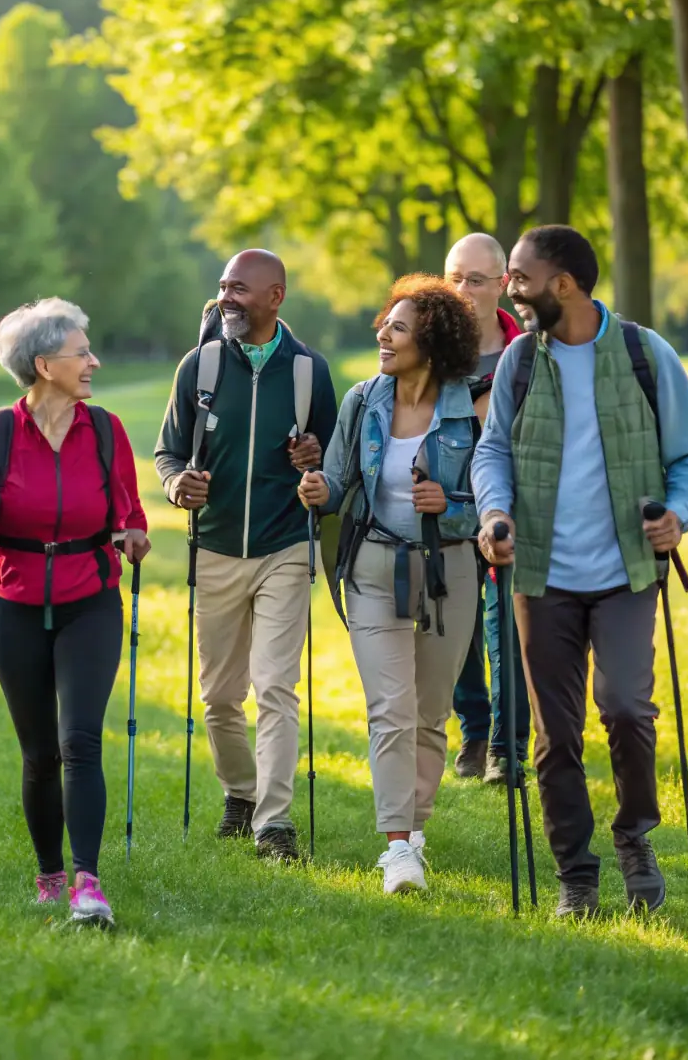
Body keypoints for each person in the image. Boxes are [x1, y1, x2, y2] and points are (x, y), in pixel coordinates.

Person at [473, 226, 688, 919]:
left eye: (519, 276)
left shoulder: (645, 354)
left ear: (564, 285)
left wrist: (679, 512)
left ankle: (635, 835)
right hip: (540, 572)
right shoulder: (518, 363)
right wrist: (495, 513)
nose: (509, 290)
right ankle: (575, 872)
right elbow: (493, 454)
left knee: (628, 708)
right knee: (555, 735)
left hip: (626, 572)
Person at [0, 299, 148, 929]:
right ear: (43, 364)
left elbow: (131, 513)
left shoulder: (107, 430)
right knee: (39, 754)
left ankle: (88, 883)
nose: (94, 361)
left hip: (90, 600)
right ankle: (49, 873)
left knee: (80, 740)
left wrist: (134, 537)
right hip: (14, 605)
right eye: (81, 352)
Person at [300, 275, 489, 895]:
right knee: (390, 710)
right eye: (386, 322)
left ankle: (415, 825)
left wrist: (452, 506)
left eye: (398, 327)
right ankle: (399, 847)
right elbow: (336, 478)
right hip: (374, 566)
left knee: (430, 715)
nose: (383, 333)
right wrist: (318, 490)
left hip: (449, 568)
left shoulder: (470, 405)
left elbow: (492, 497)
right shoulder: (364, 399)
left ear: (430, 342)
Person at [155, 250, 337, 862]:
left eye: (239, 288)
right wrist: (178, 484)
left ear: (275, 296)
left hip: (285, 546)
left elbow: (334, 464)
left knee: (276, 689)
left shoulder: (309, 370)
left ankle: (275, 824)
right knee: (219, 697)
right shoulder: (200, 365)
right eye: (223, 286)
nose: (226, 297)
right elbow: (167, 453)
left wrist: (315, 460)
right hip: (214, 548)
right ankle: (241, 792)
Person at [444, 233, 531, 784]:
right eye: (454, 277)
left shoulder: (527, 349)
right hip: (444, 507)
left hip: (508, 507)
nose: (463, 289)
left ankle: (507, 746)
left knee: (507, 626)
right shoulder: (429, 349)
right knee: (457, 626)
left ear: (501, 283)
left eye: (475, 279)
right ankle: (473, 730)